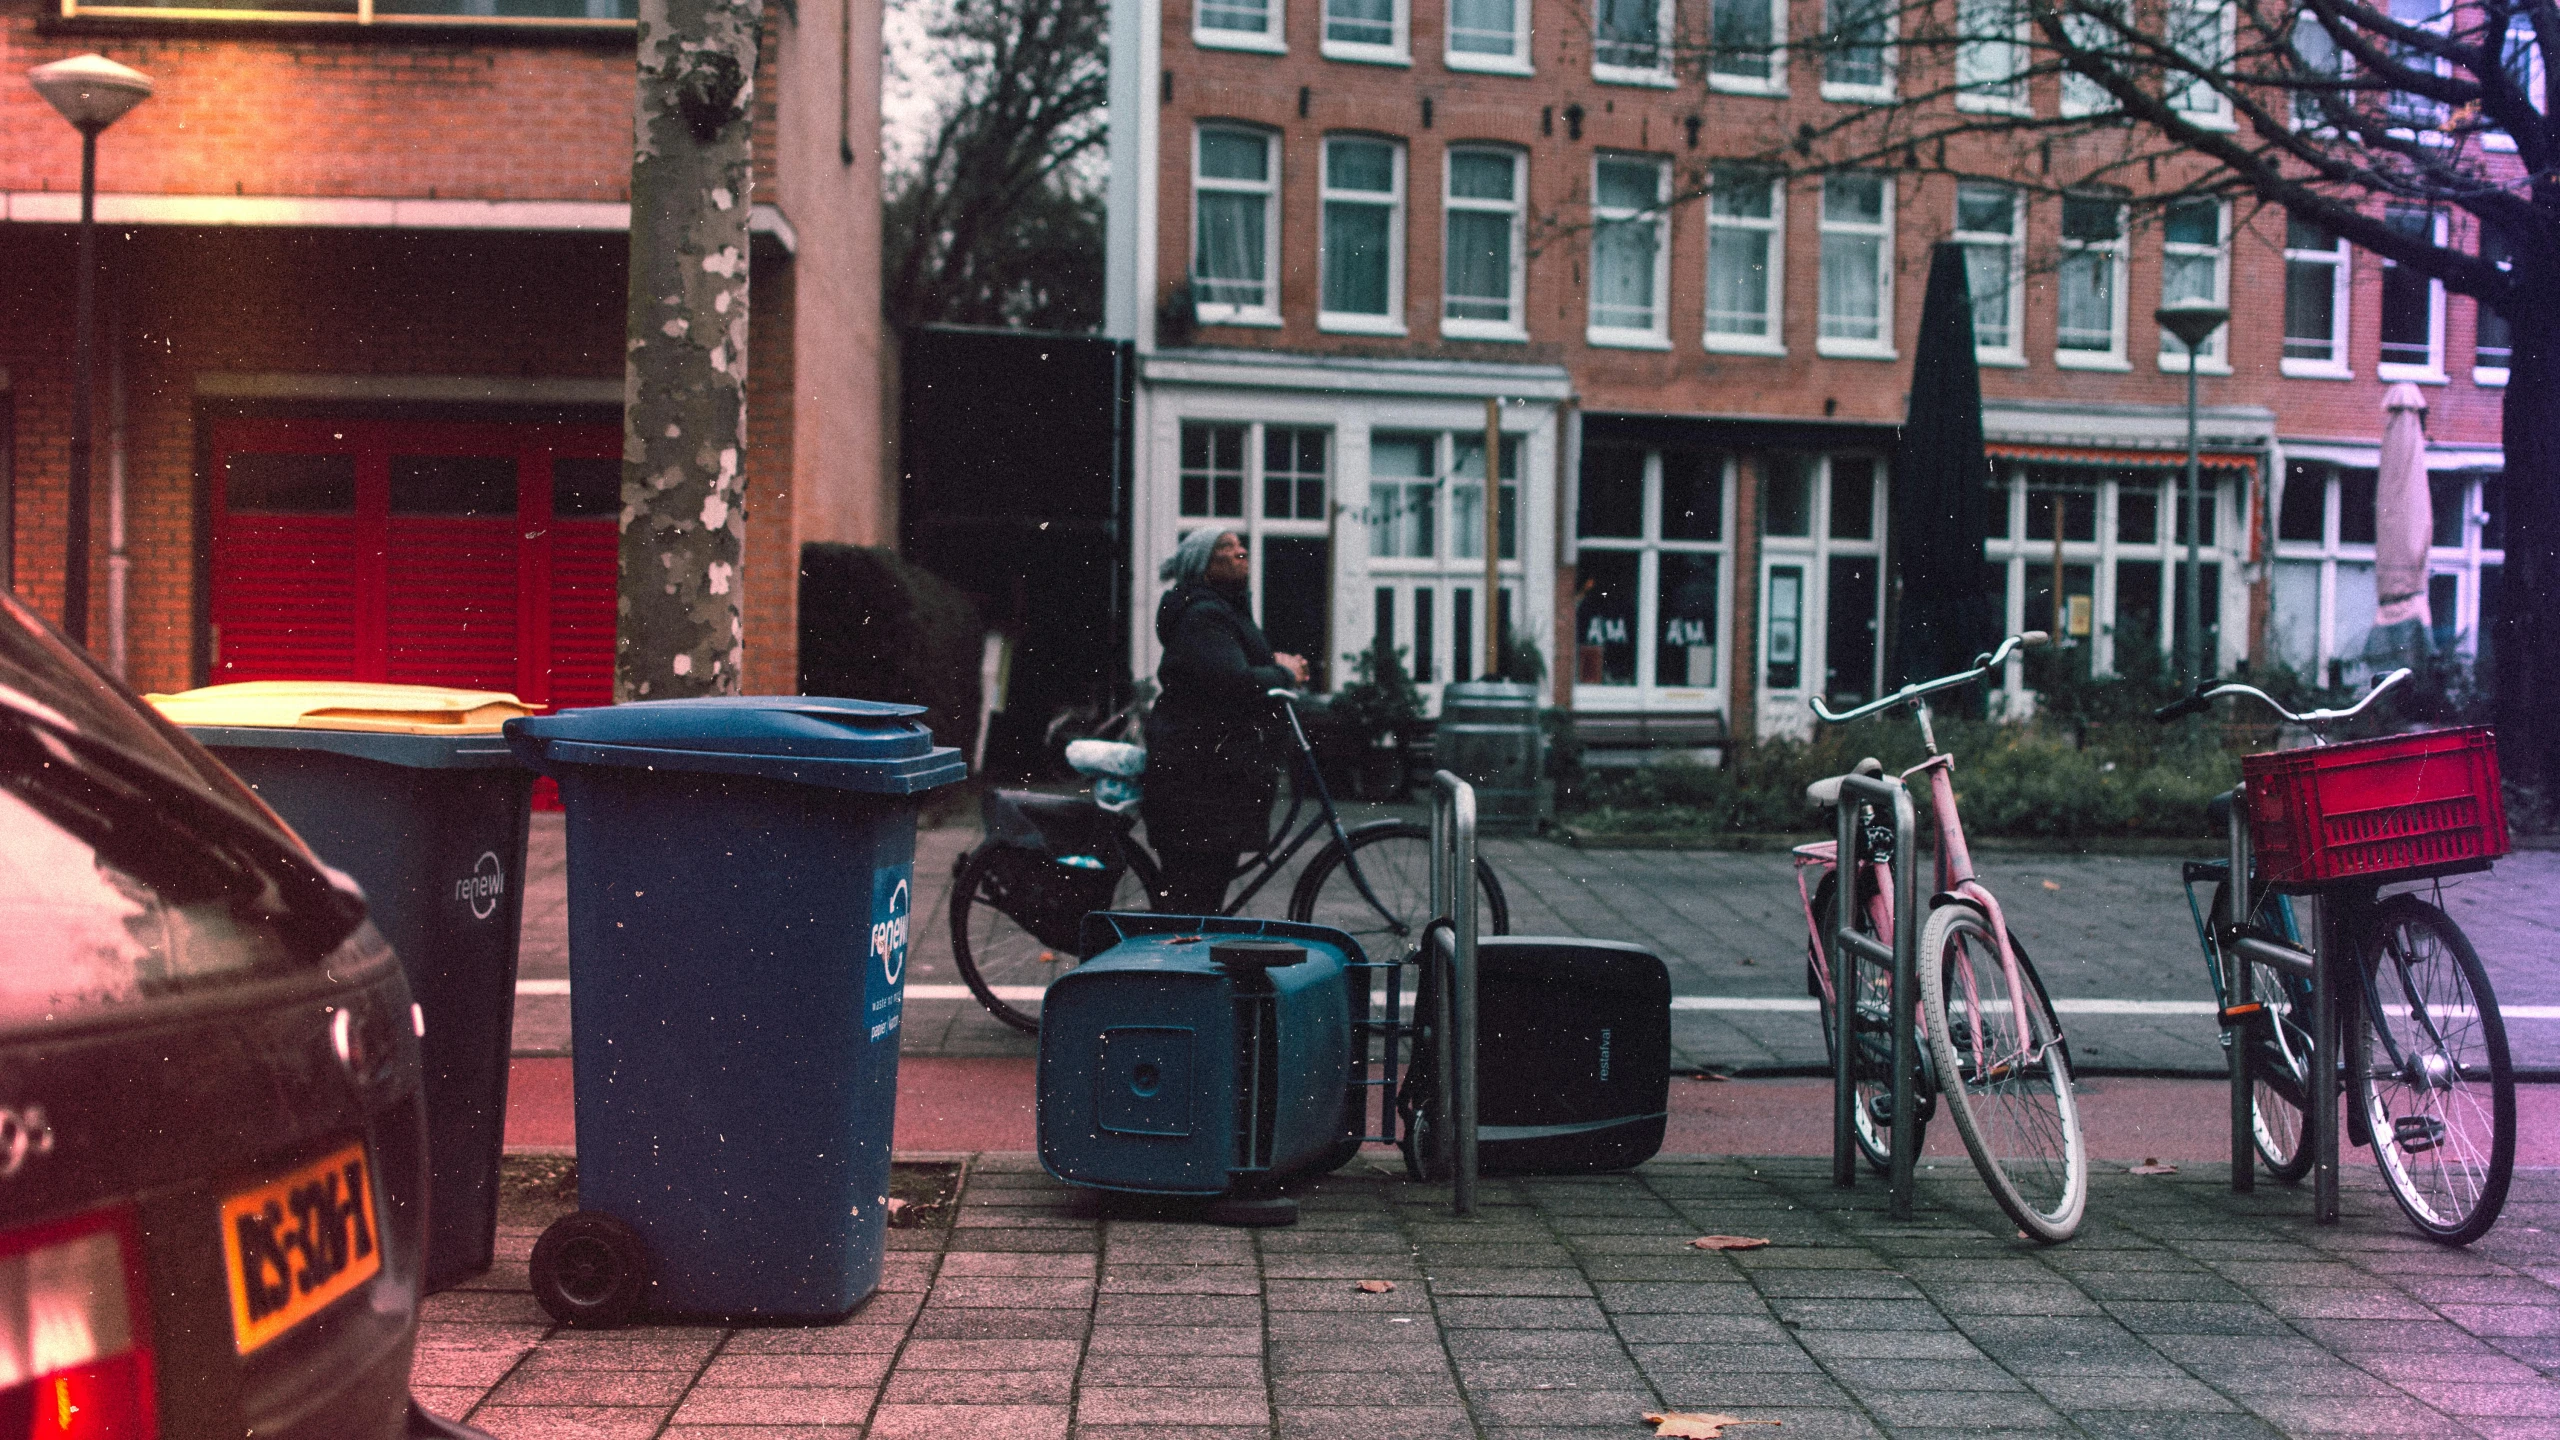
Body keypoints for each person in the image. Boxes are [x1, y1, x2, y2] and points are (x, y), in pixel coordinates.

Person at [1140, 529, 1310, 915]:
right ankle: (1167, 971)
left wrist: (1277, 669)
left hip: (1210, 779)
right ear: (1202, 567)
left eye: (1240, 545)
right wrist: (1284, 675)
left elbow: (1234, 669)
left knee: (1199, 897)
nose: (1241, 551)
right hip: (1199, 783)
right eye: (1226, 547)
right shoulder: (1204, 615)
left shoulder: (1220, 611)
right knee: (1193, 900)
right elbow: (1233, 682)